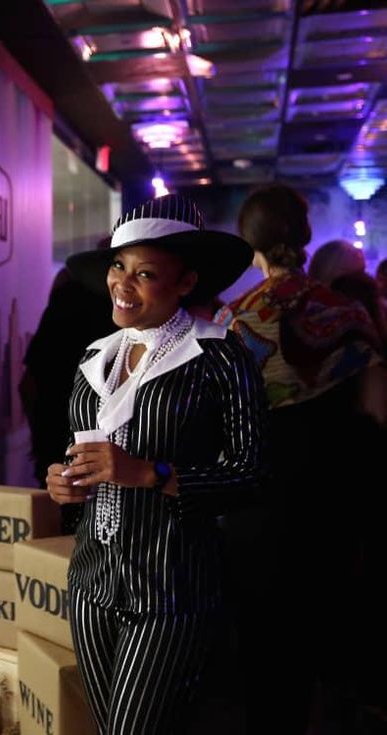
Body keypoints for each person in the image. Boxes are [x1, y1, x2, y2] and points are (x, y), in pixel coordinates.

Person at [45, 194, 266, 734]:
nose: (122, 284)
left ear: (185, 282)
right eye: (119, 267)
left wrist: (150, 472)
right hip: (92, 581)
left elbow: (250, 473)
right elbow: (84, 458)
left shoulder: (219, 355)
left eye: (145, 274)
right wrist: (62, 484)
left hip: (171, 588)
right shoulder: (96, 357)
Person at [215, 184, 384, 734]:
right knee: (332, 633)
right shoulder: (346, 311)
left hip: (257, 507)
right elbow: (378, 410)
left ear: (250, 243)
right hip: (334, 498)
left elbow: (218, 427)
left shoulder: (235, 322)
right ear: (305, 237)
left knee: (267, 651)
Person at [20, 237, 116, 510]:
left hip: (62, 441)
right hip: (72, 448)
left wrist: (42, 445)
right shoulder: (72, 299)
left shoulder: (68, 297)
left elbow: (27, 384)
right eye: (120, 266)